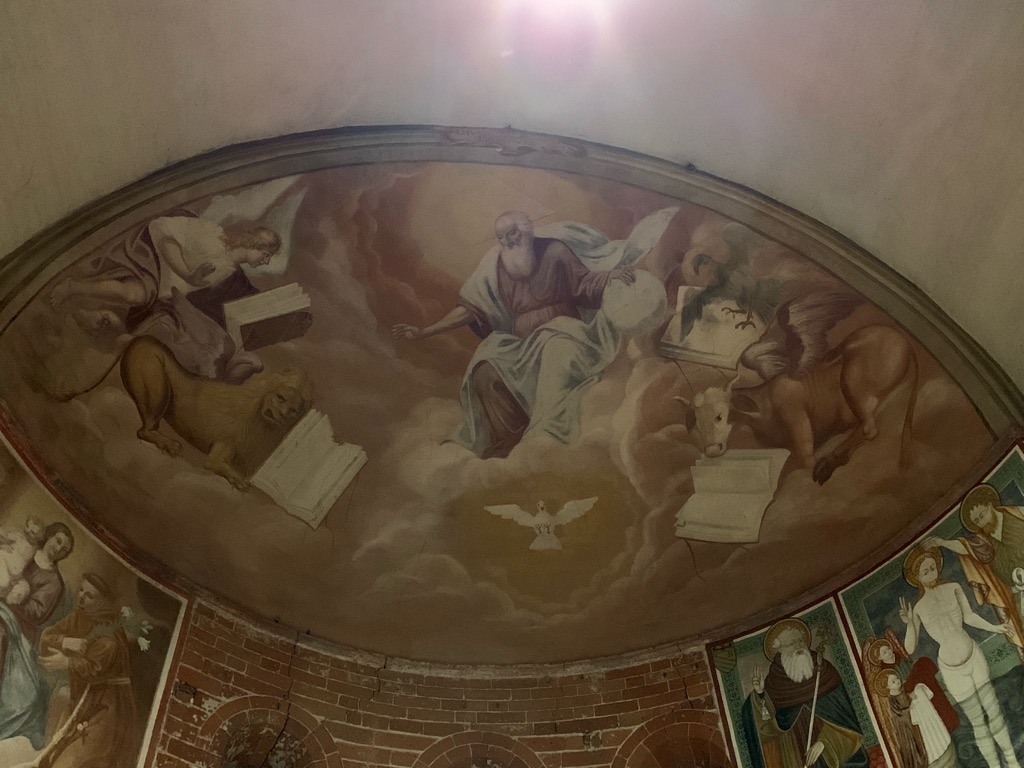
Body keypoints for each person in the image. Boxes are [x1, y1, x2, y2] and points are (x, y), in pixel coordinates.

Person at [393, 208, 722, 458]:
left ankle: (546, 434)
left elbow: (583, 284)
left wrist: (609, 277)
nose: (508, 242)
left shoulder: (554, 251)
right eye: (501, 237)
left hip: (565, 331)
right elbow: (470, 308)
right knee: (485, 366)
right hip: (521, 342)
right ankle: (500, 442)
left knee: (556, 350)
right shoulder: (494, 266)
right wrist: (425, 331)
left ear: (526, 231)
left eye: (512, 234)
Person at [898, 546, 1021, 768]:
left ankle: (1012, 762)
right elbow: (909, 647)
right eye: (925, 571)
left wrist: (996, 628)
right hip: (952, 669)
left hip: (973, 656)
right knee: (978, 723)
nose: (931, 573)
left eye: (932, 568)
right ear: (917, 578)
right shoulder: (918, 608)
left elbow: (970, 617)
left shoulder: (953, 587)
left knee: (994, 712)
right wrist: (908, 624)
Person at [35, 573, 137, 768]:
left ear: (104, 602)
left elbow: (96, 669)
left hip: (107, 706)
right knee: (53, 751)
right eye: (82, 590)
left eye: (90, 595)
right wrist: (66, 641)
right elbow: (47, 636)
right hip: (82, 699)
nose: (81, 597)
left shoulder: (110, 633)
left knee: (77, 760)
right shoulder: (79, 617)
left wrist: (67, 662)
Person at [740, 619, 867, 768]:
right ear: (780, 650)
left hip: (829, 752)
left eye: (800, 641)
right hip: (793, 755)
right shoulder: (774, 683)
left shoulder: (825, 672)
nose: (799, 646)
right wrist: (761, 694)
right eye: (791, 643)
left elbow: (845, 719)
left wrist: (825, 742)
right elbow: (768, 729)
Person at [924, 483, 1024, 660]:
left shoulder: (1017, 514)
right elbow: (965, 547)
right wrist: (942, 543)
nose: (982, 523)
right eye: (977, 521)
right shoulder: (985, 542)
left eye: (982, 515)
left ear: (990, 505)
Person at [0, 523, 74, 749]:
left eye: (64, 548)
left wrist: (11, 594)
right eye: (58, 541)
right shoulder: (26, 550)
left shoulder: (54, 583)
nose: (59, 548)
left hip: (19, 625)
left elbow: (36, 613)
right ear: (49, 536)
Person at [0, 516, 46, 601]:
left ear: (38, 538)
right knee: (3, 582)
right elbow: (2, 534)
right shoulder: (19, 536)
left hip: (14, 576)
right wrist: (3, 545)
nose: (27, 531)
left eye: (32, 532)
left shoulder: (35, 549)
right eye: (27, 526)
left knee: (21, 589)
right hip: (3, 560)